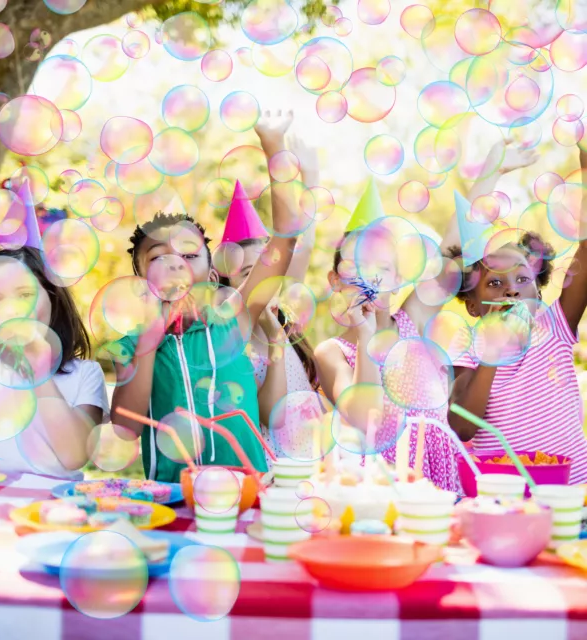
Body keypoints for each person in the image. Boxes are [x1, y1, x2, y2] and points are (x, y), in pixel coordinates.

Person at [314, 140, 538, 491]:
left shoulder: (412, 321)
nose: (368, 277)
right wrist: (364, 335)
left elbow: (454, 250)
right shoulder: (331, 352)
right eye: (354, 267)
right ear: (334, 281)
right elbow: (364, 415)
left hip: (439, 484)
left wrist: (491, 172)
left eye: (381, 267)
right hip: (380, 488)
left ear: (400, 279)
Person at [111, 110, 303, 482]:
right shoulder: (131, 346)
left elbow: (286, 236)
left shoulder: (235, 317)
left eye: (188, 254)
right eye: (158, 257)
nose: (174, 264)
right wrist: (148, 341)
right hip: (173, 497)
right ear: (140, 281)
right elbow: (124, 428)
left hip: (249, 491)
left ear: (213, 276)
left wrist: (273, 144)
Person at [0, 182, 108, 479]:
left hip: (51, 515)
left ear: (52, 296)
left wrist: (38, 373)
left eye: (24, 294)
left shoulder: (84, 374)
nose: (12, 309)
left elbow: (74, 456)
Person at [447, 144, 587, 485]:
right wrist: (492, 353)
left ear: (538, 292)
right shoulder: (468, 346)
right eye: (494, 282)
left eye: (523, 279)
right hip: (506, 494)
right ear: (473, 305)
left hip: (573, 490)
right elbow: (463, 426)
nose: (511, 290)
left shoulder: (554, 325)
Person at [216, 136, 320, 459]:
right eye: (244, 273)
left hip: (313, 456)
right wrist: (275, 341)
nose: (255, 280)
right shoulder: (236, 337)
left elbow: (305, 240)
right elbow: (271, 416)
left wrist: (311, 176)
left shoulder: (287, 308)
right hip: (279, 462)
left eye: (259, 269)